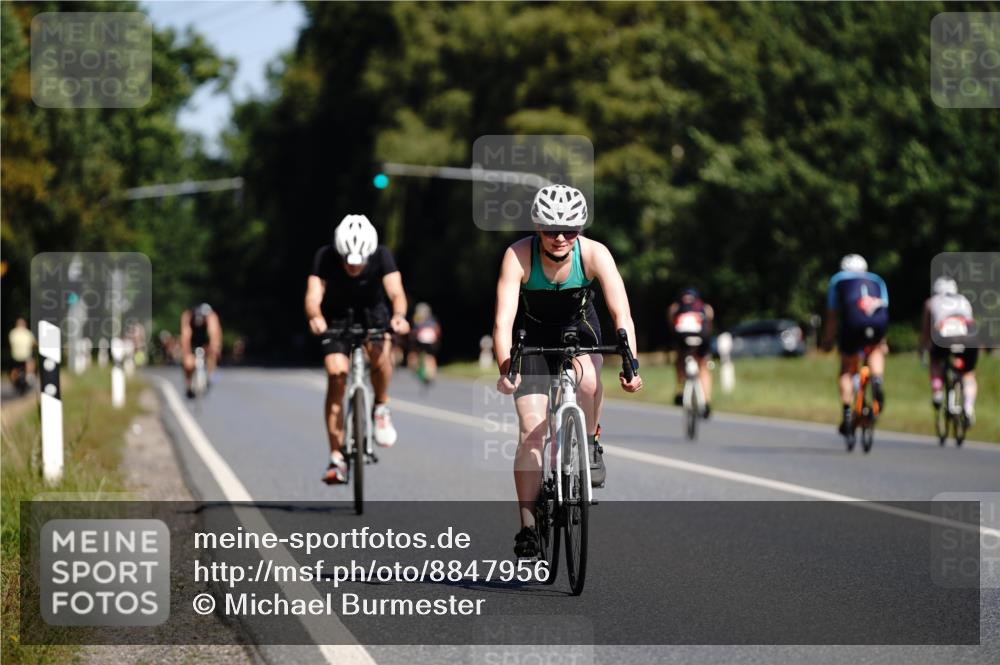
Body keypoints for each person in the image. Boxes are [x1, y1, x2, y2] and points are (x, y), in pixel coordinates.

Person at [493, 184, 643, 558]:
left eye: (570, 230)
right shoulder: (518, 256)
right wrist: (507, 368)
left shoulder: (595, 253)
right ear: (537, 227)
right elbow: (503, 321)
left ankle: (590, 443)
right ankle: (528, 525)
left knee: (589, 380)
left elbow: (621, 313)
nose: (560, 238)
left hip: (579, 327)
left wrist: (631, 362)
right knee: (530, 430)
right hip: (532, 335)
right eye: (550, 230)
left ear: (581, 229)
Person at [305, 214, 410, 485]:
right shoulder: (326, 256)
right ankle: (336, 458)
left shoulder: (382, 255)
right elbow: (313, 294)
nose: (353, 268)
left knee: (382, 352)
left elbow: (396, 292)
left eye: (359, 263)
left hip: (373, 314)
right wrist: (315, 316)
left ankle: (381, 406)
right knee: (336, 375)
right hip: (337, 317)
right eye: (348, 263)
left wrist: (398, 316)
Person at [821, 254, 889, 436]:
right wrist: (883, 341)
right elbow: (883, 309)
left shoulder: (838, 280)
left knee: (847, 369)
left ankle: (847, 410)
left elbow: (833, 314)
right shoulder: (877, 280)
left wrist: (828, 340)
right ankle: (876, 379)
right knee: (875, 350)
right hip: (877, 322)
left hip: (853, 323)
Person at [920, 276, 979, 426]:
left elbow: (926, 332)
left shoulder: (931, 302)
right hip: (967, 337)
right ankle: (968, 408)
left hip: (944, 336)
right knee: (968, 374)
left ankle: (938, 392)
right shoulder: (964, 300)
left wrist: (922, 349)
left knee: (935, 360)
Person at [667, 288, 714, 417]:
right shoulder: (704, 306)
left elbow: (671, 323)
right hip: (702, 336)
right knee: (703, 365)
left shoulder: (676, 306)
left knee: (680, 359)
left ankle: (680, 391)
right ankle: (706, 401)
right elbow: (709, 322)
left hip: (682, 336)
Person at [180, 303, 222, 398]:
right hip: (193, 341)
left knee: (213, 354)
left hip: (206, 340)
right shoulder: (188, 316)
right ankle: (189, 385)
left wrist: (214, 348)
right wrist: (186, 353)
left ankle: (210, 377)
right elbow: (185, 336)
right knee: (188, 364)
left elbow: (214, 334)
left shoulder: (211, 316)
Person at [407, 302, 442, 384]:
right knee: (430, 356)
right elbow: (437, 330)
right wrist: (437, 340)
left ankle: (416, 368)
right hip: (431, 340)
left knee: (415, 353)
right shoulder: (432, 319)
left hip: (421, 340)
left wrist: (412, 338)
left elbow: (415, 331)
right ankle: (431, 373)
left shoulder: (418, 318)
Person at [8, 317, 36, 394]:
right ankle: (29, 376)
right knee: (31, 362)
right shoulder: (27, 333)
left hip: (15, 356)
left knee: (13, 369)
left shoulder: (13, 332)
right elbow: (33, 343)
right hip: (23, 356)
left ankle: (14, 382)